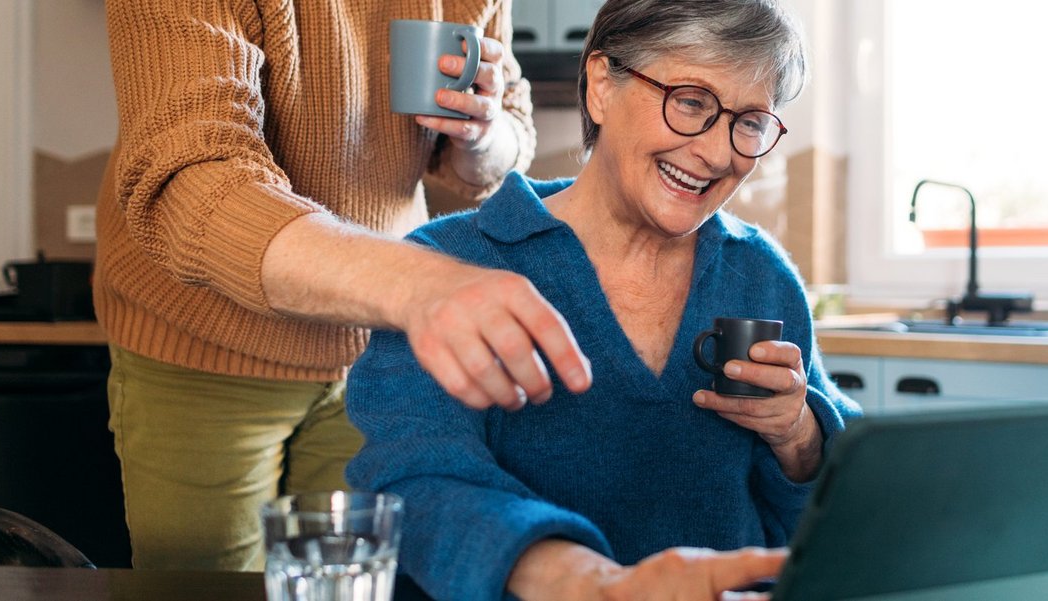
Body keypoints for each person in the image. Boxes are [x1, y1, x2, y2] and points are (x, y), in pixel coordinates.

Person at [345, 0, 863, 599]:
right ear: (600, 87)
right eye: (691, 102)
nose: (719, 154)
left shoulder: (758, 272)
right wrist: (595, 583)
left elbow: (835, 514)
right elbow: (413, 483)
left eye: (748, 122)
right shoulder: (448, 266)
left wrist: (799, 435)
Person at [95, 0, 593, 571]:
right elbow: (194, 176)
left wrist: (480, 135)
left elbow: (507, 147)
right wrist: (416, 284)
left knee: (356, 579)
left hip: (372, 354)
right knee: (206, 584)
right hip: (201, 342)